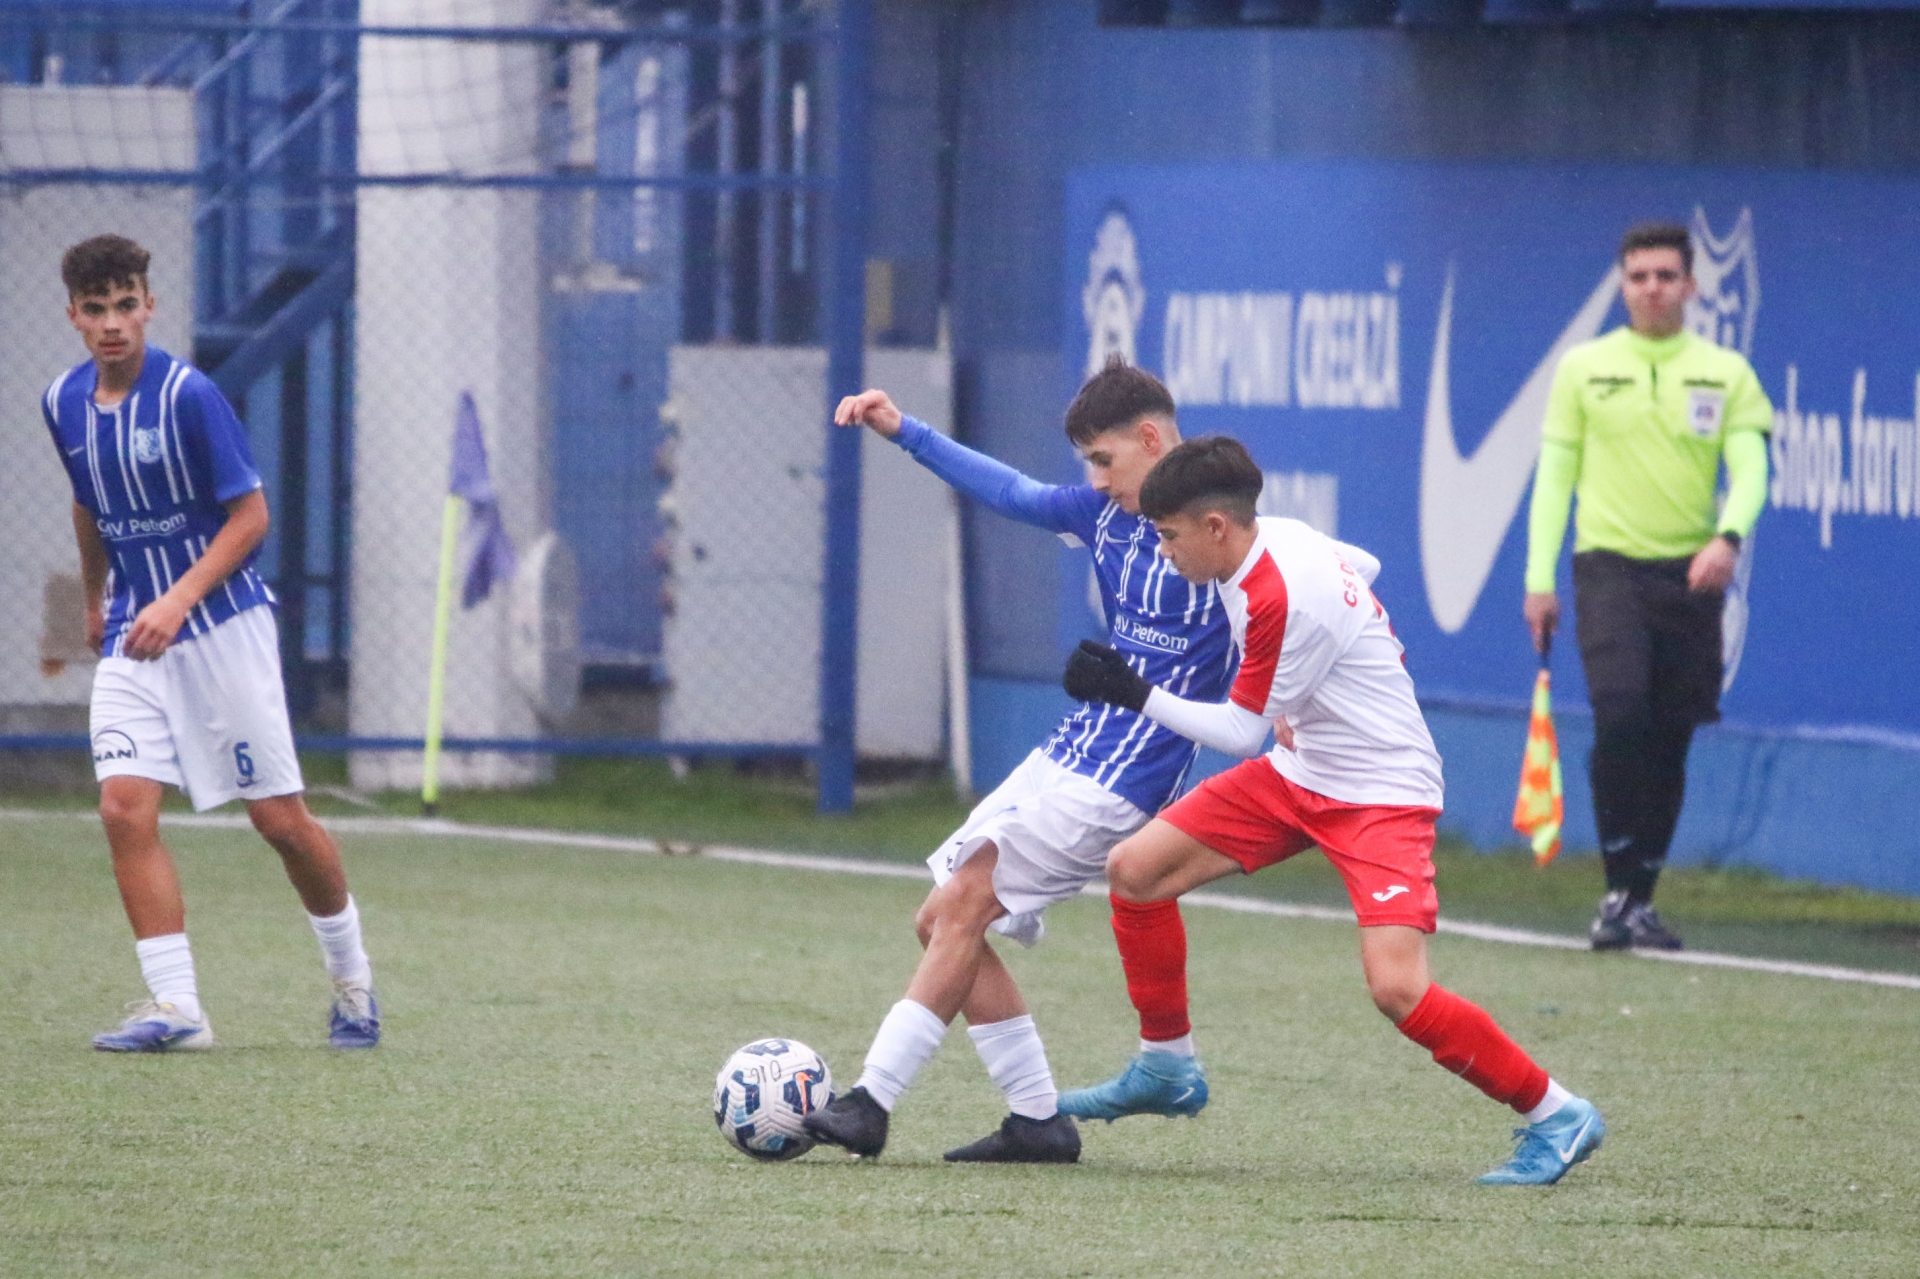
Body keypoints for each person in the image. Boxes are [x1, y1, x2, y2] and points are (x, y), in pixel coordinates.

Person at [1063, 435, 1605, 1185]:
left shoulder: (1277, 594)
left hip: (1381, 791)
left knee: (1397, 987)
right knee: (1135, 869)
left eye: (1169, 535)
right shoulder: (1276, 537)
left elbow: (1238, 732)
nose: (1164, 552)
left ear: (1216, 526)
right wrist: (1311, 692)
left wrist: (1132, 691)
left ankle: (1558, 1112)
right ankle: (1166, 1066)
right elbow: (1364, 567)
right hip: (1303, 773)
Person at [800, 358, 1238, 1163]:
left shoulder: (1223, 536)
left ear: (1151, 439)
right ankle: (1038, 1119)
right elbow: (1011, 492)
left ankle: (870, 1102)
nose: (1096, 479)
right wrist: (906, 432)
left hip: (1124, 778)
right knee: (940, 917)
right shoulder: (1104, 515)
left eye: (1104, 459)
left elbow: (1313, 593)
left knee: (964, 903)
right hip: (1070, 749)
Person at [46, 234, 379, 1052]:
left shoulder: (188, 396)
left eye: (127, 305)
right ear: (75, 317)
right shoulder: (61, 402)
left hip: (222, 629)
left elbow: (251, 515)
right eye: (97, 309)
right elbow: (89, 502)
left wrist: (178, 596)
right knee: (123, 809)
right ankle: (179, 1007)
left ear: (149, 306)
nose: (113, 323)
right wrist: (94, 599)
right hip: (134, 638)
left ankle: (353, 979)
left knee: (279, 821)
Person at [1524, 221, 1772, 951]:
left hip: (1690, 572)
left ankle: (1641, 897)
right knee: (1622, 712)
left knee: (1671, 734)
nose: (1653, 288)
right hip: (1609, 568)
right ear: (1622, 285)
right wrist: (1539, 578)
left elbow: (1751, 468)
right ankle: (1615, 887)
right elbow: (1555, 477)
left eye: (1666, 275)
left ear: (1690, 285)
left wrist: (1728, 537)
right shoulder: (1585, 369)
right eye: (1639, 276)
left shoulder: (1726, 372)